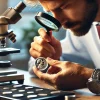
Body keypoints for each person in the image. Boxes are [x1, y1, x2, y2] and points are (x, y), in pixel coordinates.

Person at [25, 0, 100, 90]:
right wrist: (49, 57)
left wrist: (88, 76)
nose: (59, 22)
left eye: (63, 7)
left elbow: (84, 76)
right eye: (51, 12)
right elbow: (34, 67)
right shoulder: (84, 25)